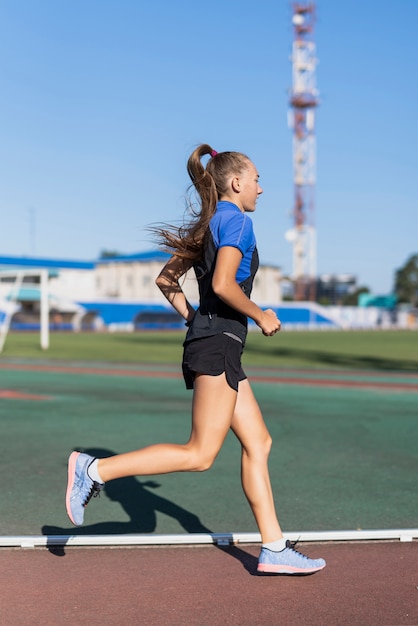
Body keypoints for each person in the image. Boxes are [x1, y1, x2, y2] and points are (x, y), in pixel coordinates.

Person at [66, 144, 326, 575]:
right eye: (257, 180)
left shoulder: (210, 224)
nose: (262, 189)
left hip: (215, 342)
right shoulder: (237, 222)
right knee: (200, 453)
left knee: (258, 442)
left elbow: (165, 279)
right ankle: (94, 470)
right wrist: (260, 314)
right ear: (237, 182)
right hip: (218, 345)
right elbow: (224, 284)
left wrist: (195, 320)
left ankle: (274, 547)